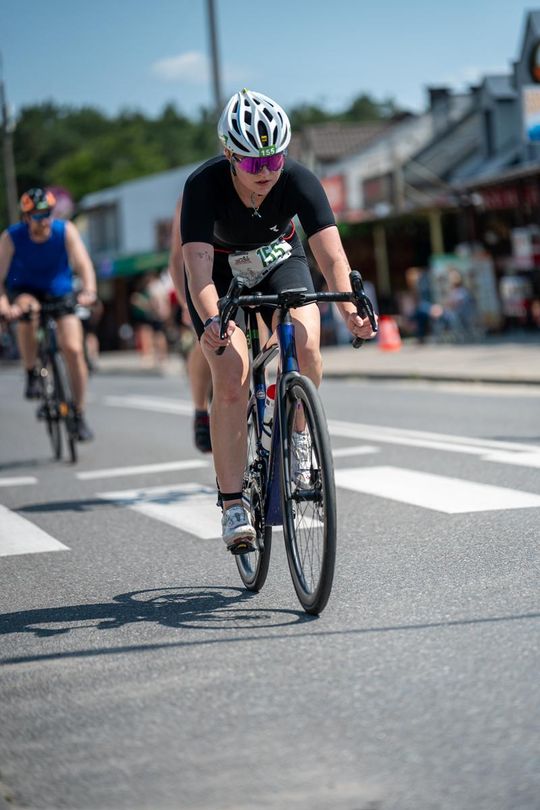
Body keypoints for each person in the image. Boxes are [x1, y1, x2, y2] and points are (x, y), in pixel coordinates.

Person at [179, 88, 376, 554]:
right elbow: (199, 274)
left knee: (307, 342)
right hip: (221, 273)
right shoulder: (202, 186)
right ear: (230, 156)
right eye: (251, 163)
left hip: (277, 258)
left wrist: (351, 308)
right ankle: (232, 505)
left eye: (274, 159)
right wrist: (213, 321)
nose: (266, 171)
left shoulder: (299, 180)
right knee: (232, 375)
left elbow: (332, 258)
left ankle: (300, 441)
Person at [0, 187, 97, 440]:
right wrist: (4, 306)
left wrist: (89, 290)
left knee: (74, 350)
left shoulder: (65, 231)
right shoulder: (11, 237)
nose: (43, 220)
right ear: (26, 217)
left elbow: (83, 263)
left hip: (59, 291)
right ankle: (32, 371)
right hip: (26, 289)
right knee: (27, 312)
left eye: (47, 213)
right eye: (37, 215)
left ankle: (78, 412)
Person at [168, 197, 213, 453]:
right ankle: (200, 412)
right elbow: (176, 259)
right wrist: (185, 303)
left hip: (243, 272)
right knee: (203, 340)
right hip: (203, 278)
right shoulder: (192, 197)